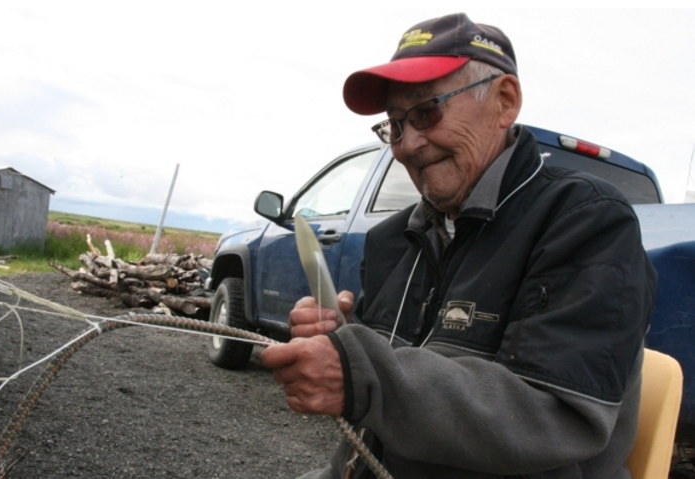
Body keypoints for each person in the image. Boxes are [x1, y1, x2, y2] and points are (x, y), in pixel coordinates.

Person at [261, 13, 657, 479]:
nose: (408, 144)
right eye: (395, 125)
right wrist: (346, 338)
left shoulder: (584, 220)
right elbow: (382, 399)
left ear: (505, 101)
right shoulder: (394, 240)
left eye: (428, 111)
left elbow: (557, 417)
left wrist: (362, 373)